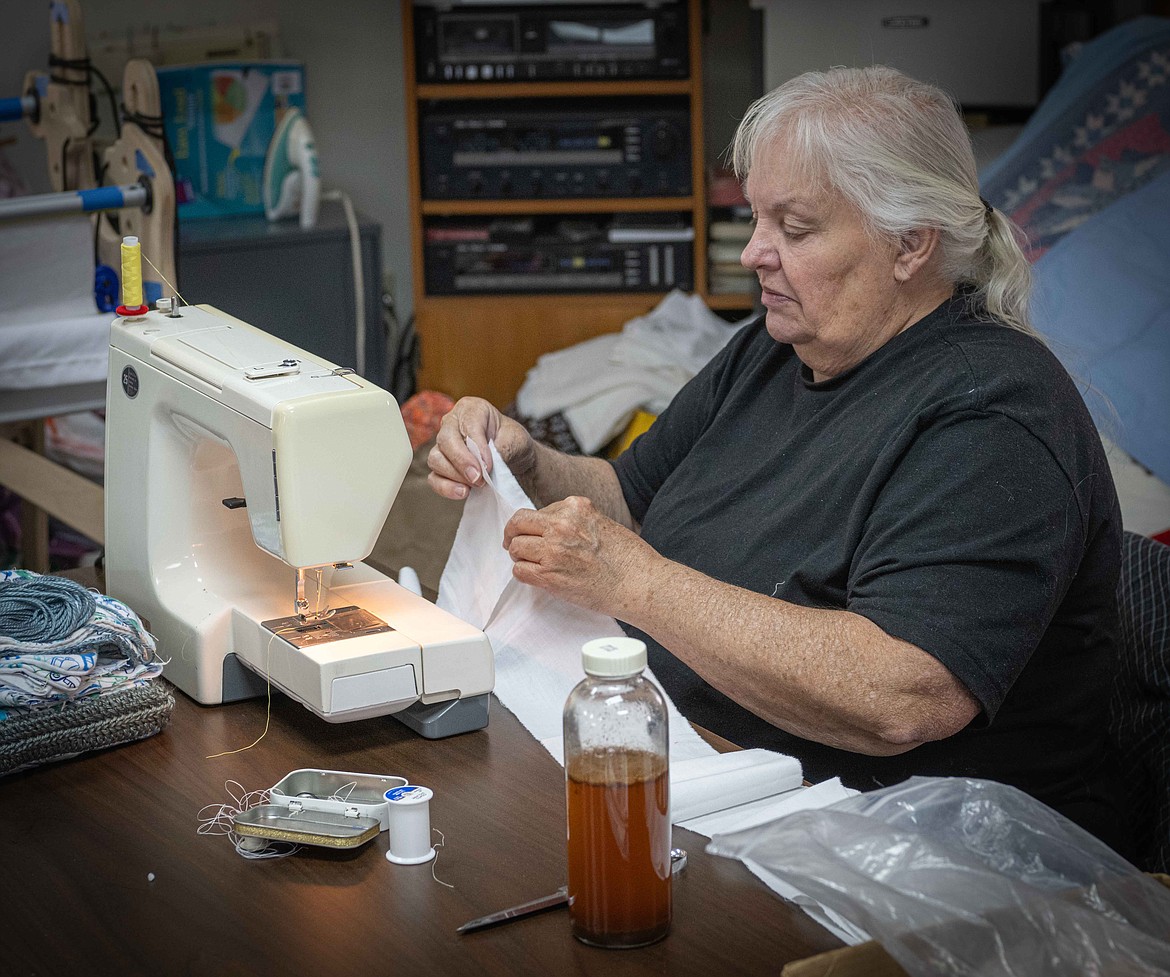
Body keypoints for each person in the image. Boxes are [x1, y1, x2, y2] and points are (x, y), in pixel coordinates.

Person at [427, 66, 1130, 855]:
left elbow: (902, 695)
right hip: (706, 763)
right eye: (756, 219)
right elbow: (629, 495)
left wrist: (634, 580)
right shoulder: (775, 344)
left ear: (911, 246)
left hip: (919, 857)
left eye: (794, 229)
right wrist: (529, 462)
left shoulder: (995, 412)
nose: (754, 254)